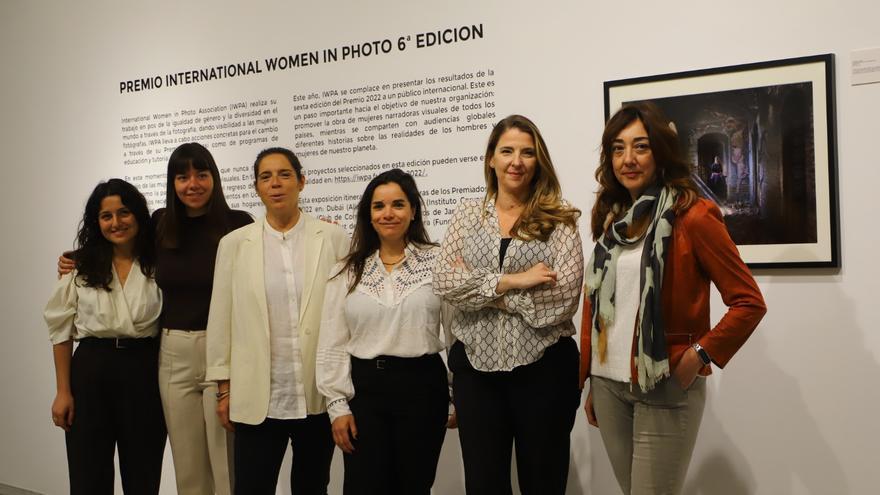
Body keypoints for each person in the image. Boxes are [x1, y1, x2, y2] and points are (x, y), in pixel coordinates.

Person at [581, 102, 767, 495]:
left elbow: (748, 302)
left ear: (661, 152)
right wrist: (591, 381)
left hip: (663, 384)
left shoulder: (694, 216)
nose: (627, 159)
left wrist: (699, 353)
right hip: (608, 383)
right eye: (617, 148)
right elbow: (596, 305)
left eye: (640, 147)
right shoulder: (610, 217)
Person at [59, 143, 252, 495]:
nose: (192, 184)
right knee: (187, 465)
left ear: (214, 178)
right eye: (182, 176)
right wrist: (77, 257)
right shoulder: (162, 224)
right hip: (171, 352)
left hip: (220, 349)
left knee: (225, 463)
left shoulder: (240, 226)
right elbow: (119, 243)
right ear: (172, 182)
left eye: (201, 174)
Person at [433, 115, 584, 494]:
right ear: (491, 159)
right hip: (476, 375)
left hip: (545, 370)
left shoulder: (559, 218)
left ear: (539, 161)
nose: (516, 160)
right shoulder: (467, 214)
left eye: (527, 152)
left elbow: (562, 300)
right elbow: (444, 282)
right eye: (507, 151)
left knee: (544, 483)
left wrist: (482, 294)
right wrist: (517, 281)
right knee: (484, 484)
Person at [206, 147, 349, 494]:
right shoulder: (234, 244)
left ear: (302, 181)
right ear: (256, 187)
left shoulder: (333, 238)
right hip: (257, 395)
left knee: (312, 485)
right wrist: (223, 389)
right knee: (252, 487)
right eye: (266, 177)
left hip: (315, 393)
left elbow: (345, 315)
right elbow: (220, 317)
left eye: (285, 174)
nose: (275, 184)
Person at [317, 169, 452, 495]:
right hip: (366, 393)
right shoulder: (346, 270)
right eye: (379, 206)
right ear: (369, 213)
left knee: (414, 486)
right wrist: (337, 406)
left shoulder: (438, 262)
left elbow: (456, 330)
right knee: (363, 486)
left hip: (423, 389)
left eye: (398, 204)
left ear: (413, 210)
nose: (388, 213)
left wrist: (456, 394)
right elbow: (332, 341)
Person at [44, 179, 166, 494]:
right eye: (106, 216)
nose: (116, 223)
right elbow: (61, 328)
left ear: (138, 214)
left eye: (124, 213)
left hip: (144, 371)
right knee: (88, 475)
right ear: (96, 222)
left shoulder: (158, 263)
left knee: (143, 472)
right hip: (90, 371)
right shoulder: (80, 265)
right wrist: (62, 391)